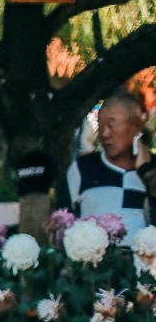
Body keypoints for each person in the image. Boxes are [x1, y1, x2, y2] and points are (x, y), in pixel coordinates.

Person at [64, 91, 156, 233]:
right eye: (100, 125)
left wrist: (147, 171)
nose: (104, 134)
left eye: (112, 125)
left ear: (136, 126)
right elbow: (62, 223)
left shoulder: (152, 169)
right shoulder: (82, 169)